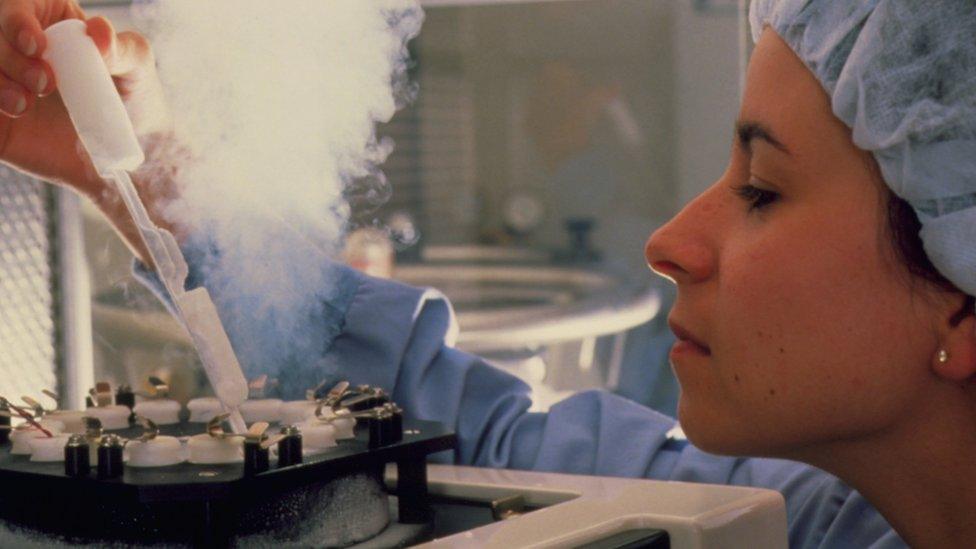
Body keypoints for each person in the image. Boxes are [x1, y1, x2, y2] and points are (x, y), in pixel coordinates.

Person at [3, 0, 973, 546]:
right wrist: (144, 175)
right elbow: (472, 438)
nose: (668, 242)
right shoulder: (821, 523)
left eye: (759, 188)